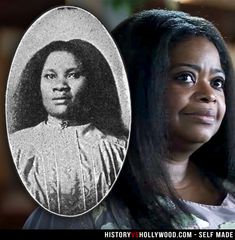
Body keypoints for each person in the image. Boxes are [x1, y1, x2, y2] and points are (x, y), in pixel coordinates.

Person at [23, 9, 235, 229]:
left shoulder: (229, 189)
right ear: (130, 87)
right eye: (185, 77)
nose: (209, 94)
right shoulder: (77, 211)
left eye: (217, 82)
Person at [8, 39, 128, 216]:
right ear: (37, 84)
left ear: (91, 82)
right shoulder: (19, 147)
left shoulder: (116, 148)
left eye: (72, 75)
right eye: (50, 76)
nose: (60, 86)